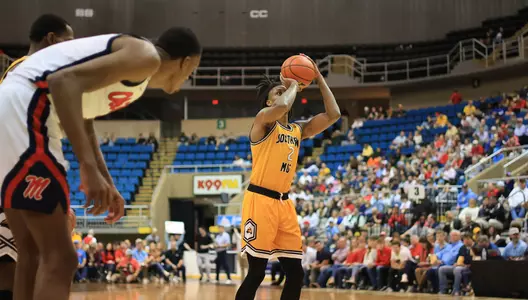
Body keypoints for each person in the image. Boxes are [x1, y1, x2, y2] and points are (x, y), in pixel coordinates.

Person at [0, 24, 201, 300]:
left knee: (31, 251)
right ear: (186, 62)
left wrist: (106, 179)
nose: (189, 76)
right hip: (28, 108)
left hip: (11, 107)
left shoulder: (137, 74)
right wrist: (87, 167)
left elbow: (84, 117)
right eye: (192, 70)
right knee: (61, 257)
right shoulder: (146, 57)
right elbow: (63, 82)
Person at [236, 55, 340, 300]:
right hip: (259, 201)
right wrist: (293, 84)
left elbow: (334, 114)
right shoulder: (263, 120)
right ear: (269, 100)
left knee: (296, 273)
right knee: (257, 272)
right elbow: (281, 107)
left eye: (286, 90)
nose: (285, 93)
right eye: (279, 91)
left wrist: (318, 78)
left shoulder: (297, 130)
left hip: (284, 205)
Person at [0, 14, 74, 300]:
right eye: (68, 43)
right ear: (52, 39)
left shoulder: (21, 73)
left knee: (26, 261)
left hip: (13, 172)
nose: (71, 51)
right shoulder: (32, 73)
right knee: (23, 262)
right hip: (15, 174)